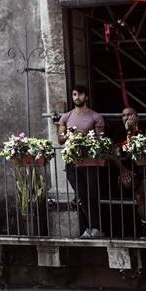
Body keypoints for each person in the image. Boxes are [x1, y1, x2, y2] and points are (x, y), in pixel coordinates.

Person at [58, 84, 106, 238]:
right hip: (72, 162)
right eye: (74, 94)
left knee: (92, 194)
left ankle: (95, 228)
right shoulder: (66, 117)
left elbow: (101, 140)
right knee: (81, 195)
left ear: (86, 97)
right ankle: (92, 228)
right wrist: (68, 135)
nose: (76, 97)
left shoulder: (95, 116)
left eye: (79, 94)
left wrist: (84, 137)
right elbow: (60, 139)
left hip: (90, 162)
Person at [114, 107, 146, 226]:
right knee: (127, 183)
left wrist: (132, 132)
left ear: (137, 117)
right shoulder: (119, 132)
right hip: (129, 169)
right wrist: (122, 169)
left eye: (129, 114)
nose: (126, 117)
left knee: (140, 195)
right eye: (124, 115)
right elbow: (114, 153)